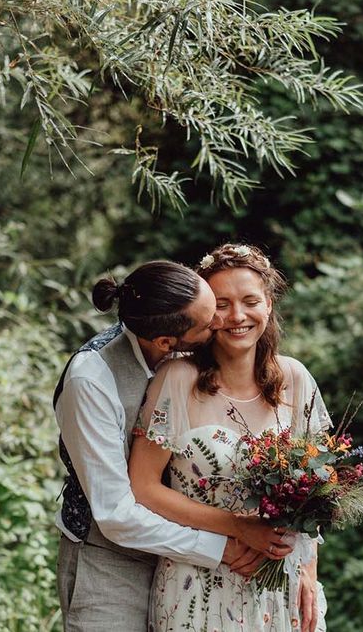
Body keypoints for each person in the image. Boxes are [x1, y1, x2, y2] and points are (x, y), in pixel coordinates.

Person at [54, 260, 291, 632]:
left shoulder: (172, 322)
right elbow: (116, 514)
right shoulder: (92, 380)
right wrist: (226, 544)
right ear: (168, 343)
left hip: (192, 564)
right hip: (112, 562)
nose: (222, 323)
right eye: (210, 320)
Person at [130, 244, 332, 632]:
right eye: (221, 304)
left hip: (279, 587)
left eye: (250, 300)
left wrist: (307, 569)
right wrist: (236, 527)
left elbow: (316, 491)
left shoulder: (296, 379)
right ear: (205, 313)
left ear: (268, 305)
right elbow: (143, 487)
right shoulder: (177, 379)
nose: (237, 316)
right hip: (197, 581)